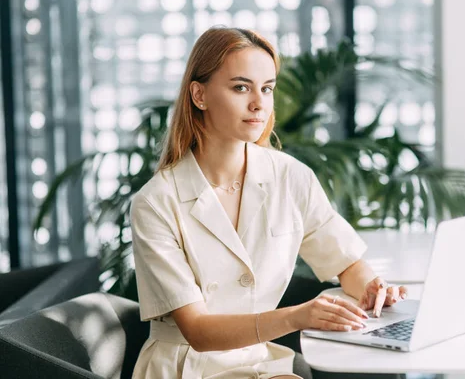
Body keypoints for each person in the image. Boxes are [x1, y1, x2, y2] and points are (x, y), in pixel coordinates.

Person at [130, 26, 408, 379]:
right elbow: (198, 331)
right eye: (241, 87)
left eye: (267, 89)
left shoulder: (290, 177)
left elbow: (346, 260)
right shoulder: (156, 202)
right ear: (199, 95)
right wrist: (297, 316)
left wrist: (372, 289)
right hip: (185, 367)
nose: (259, 103)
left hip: (256, 361)